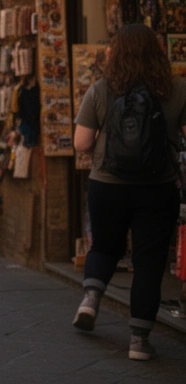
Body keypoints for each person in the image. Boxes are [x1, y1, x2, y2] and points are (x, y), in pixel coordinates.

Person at [72, 24, 186, 361]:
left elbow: (81, 142)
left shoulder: (101, 89)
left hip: (107, 185)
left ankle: (91, 300)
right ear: (157, 53)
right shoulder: (177, 89)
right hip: (158, 188)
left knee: (105, 246)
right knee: (149, 261)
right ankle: (138, 341)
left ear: (116, 53)